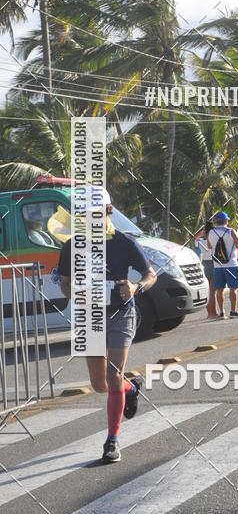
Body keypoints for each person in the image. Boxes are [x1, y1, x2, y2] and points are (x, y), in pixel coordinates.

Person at [58, 188, 157, 463]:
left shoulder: (124, 243)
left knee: (113, 377)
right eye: (84, 216)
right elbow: (65, 283)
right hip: (90, 317)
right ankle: (132, 388)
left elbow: (151, 274)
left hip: (121, 314)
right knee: (99, 384)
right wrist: (75, 292)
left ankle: (112, 441)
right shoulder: (72, 246)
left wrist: (136, 287)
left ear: (108, 212)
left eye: (96, 214)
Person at [207, 211, 238, 318]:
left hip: (217, 265)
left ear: (216, 222)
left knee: (219, 289)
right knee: (233, 288)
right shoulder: (230, 231)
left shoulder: (211, 232)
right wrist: (237, 235)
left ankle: (222, 312)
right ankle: (233, 311)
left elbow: (210, 247)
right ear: (226, 221)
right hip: (231, 264)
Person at [195, 219, 218, 320]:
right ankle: (214, 313)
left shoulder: (201, 241)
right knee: (213, 291)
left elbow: (194, 239)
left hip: (205, 263)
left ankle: (210, 313)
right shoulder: (215, 239)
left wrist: (201, 233)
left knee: (209, 291)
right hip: (213, 263)